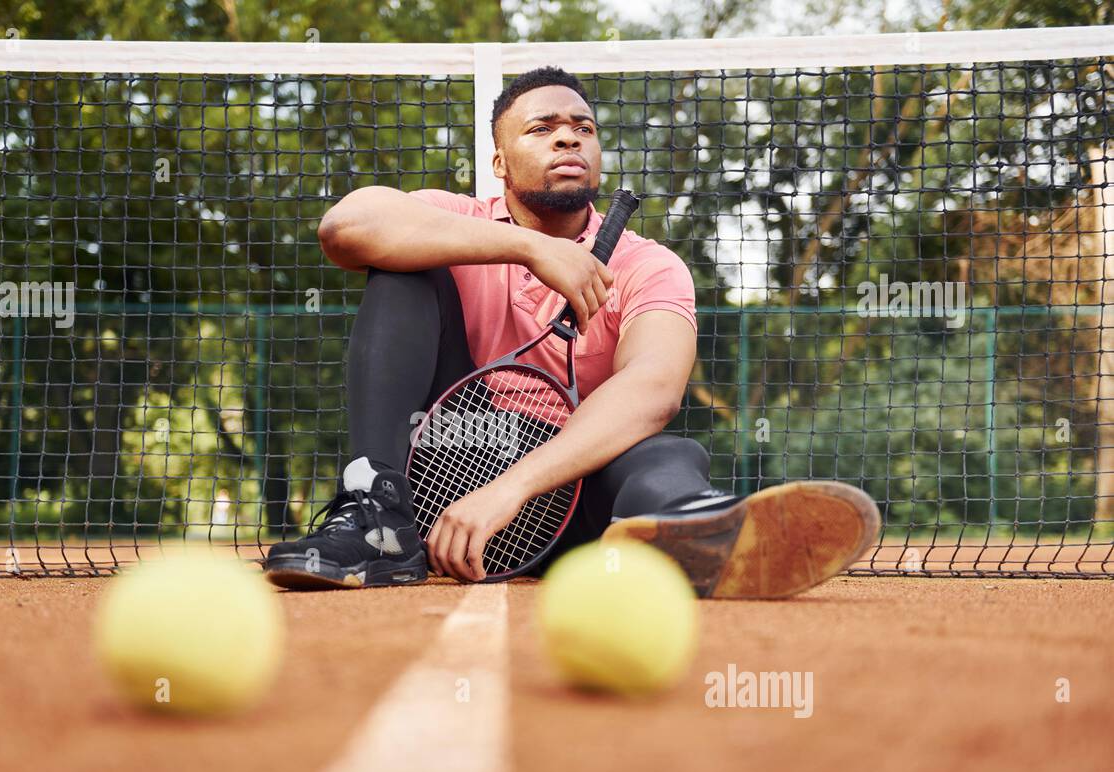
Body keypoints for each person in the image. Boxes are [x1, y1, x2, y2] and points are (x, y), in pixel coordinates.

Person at [264, 66, 879, 597]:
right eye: (542, 128)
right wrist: (529, 247)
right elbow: (345, 226)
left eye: (583, 127)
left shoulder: (649, 264)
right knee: (402, 267)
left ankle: (696, 530)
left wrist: (512, 487)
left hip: (564, 492)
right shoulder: (461, 221)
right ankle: (378, 519)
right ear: (499, 163)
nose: (568, 136)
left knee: (667, 456)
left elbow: (654, 386)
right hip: (441, 463)